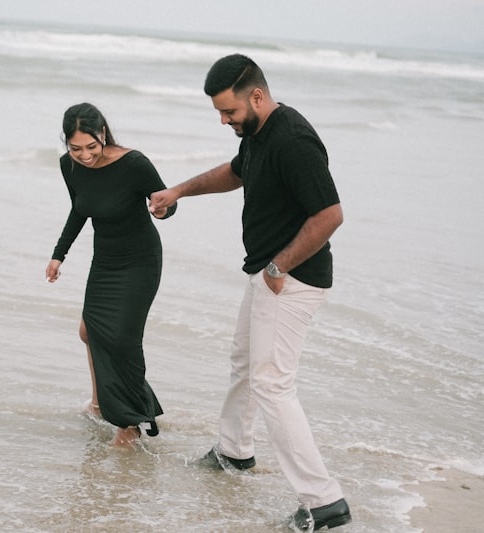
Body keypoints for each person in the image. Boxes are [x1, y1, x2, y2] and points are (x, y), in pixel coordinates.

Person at [149, 55, 351, 529]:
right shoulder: (260, 134)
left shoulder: (295, 141)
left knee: (272, 384)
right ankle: (234, 452)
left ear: (256, 96)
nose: (224, 121)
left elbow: (330, 215)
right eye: (219, 113)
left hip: (292, 280)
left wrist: (280, 266)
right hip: (269, 274)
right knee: (244, 361)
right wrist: (178, 190)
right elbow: (237, 172)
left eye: (229, 112)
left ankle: (324, 502)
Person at [46, 102, 177, 447]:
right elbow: (80, 209)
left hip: (140, 260)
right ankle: (101, 403)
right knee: (89, 331)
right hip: (105, 260)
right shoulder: (68, 166)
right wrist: (59, 255)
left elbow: (167, 201)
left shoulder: (133, 163)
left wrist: (162, 209)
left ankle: (129, 423)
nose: (84, 155)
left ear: (103, 134)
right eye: (75, 148)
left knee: (122, 340)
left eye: (91, 146)